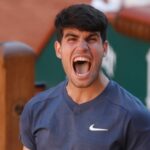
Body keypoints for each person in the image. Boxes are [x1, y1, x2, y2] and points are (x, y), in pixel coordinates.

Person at [20, 4, 150, 150]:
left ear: (105, 49)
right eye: (72, 39)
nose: (82, 47)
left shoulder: (134, 117)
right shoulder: (36, 108)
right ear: (58, 49)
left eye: (91, 39)